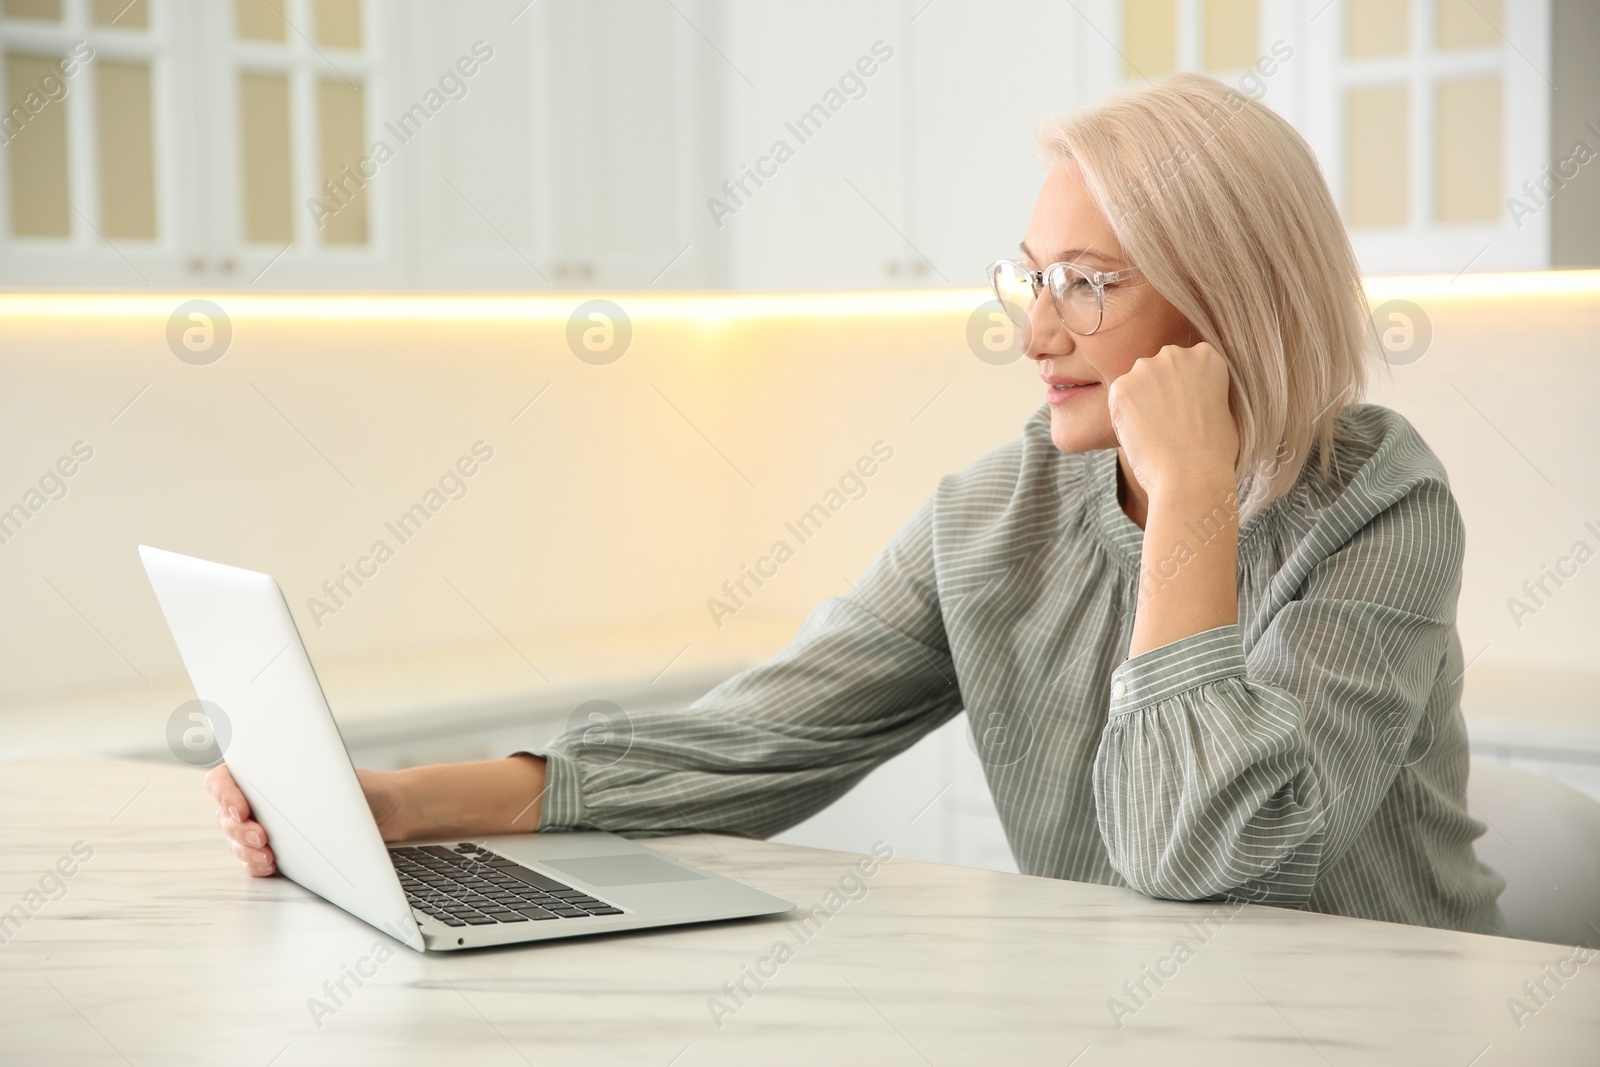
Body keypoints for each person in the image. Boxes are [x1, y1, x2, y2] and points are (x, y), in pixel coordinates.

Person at [207, 72, 1504, 933]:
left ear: (1227, 302)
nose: (1035, 327)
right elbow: (755, 742)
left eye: (1090, 285)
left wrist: (1194, 492)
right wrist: (399, 803)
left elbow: (1207, 858)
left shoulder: (1379, 509)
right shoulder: (996, 514)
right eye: (1030, 277)